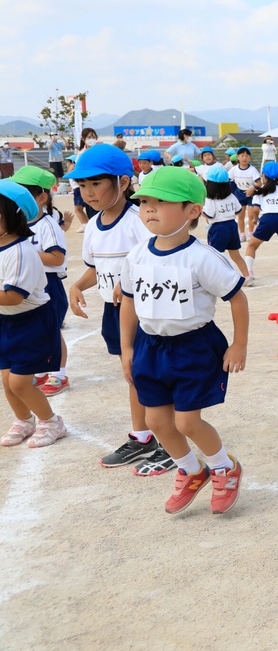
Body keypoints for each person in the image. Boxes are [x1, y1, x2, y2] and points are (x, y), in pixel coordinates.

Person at [119, 167, 249, 514]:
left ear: (192, 211)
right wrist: (127, 348)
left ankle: (224, 467)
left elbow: (237, 297)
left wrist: (239, 344)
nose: (149, 209)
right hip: (150, 346)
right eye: (145, 201)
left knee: (187, 421)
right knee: (156, 421)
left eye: (161, 202)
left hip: (193, 347)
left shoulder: (202, 257)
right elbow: (129, 302)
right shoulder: (137, 255)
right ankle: (192, 471)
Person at [67, 145, 171, 473]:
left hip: (147, 310)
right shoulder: (94, 225)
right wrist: (76, 286)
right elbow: (96, 268)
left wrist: (130, 282)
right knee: (133, 376)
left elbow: (162, 257)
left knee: (152, 375)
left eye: (96, 184)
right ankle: (142, 438)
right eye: (82, 186)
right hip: (115, 313)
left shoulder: (136, 221)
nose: (88, 192)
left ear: (123, 182)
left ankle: (170, 443)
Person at [0, 180, 68, 449]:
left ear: (14, 217)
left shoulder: (21, 251)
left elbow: (15, 295)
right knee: (6, 378)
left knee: (19, 381)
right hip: (5, 320)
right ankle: (23, 420)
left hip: (30, 322)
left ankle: (51, 422)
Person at [14, 167, 71, 397]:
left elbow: (57, 258)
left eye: (24, 193)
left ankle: (59, 374)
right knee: (35, 329)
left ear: (41, 197)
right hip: (30, 283)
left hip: (48, 283)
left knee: (52, 330)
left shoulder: (48, 225)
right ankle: (41, 369)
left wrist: (25, 253)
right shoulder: (18, 224)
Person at [203, 166, 250, 280]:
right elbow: (239, 211)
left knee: (216, 255)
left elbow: (209, 214)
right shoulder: (231, 196)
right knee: (235, 255)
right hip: (232, 226)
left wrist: (200, 210)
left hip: (218, 228)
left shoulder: (210, 199)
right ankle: (248, 276)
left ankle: (222, 279)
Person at [228, 146, 260, 243]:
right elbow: (228, 179)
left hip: (251, 194)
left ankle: (250, 233)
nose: (244, 158)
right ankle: (242, 234)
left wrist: (252, 188)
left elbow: (259, 183)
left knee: (251, 214)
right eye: (242, 156)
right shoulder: (234, 169)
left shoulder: (252, 169)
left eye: (247, 156)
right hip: (240, 193)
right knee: (240, 215)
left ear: (249, 158)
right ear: (238, 157)